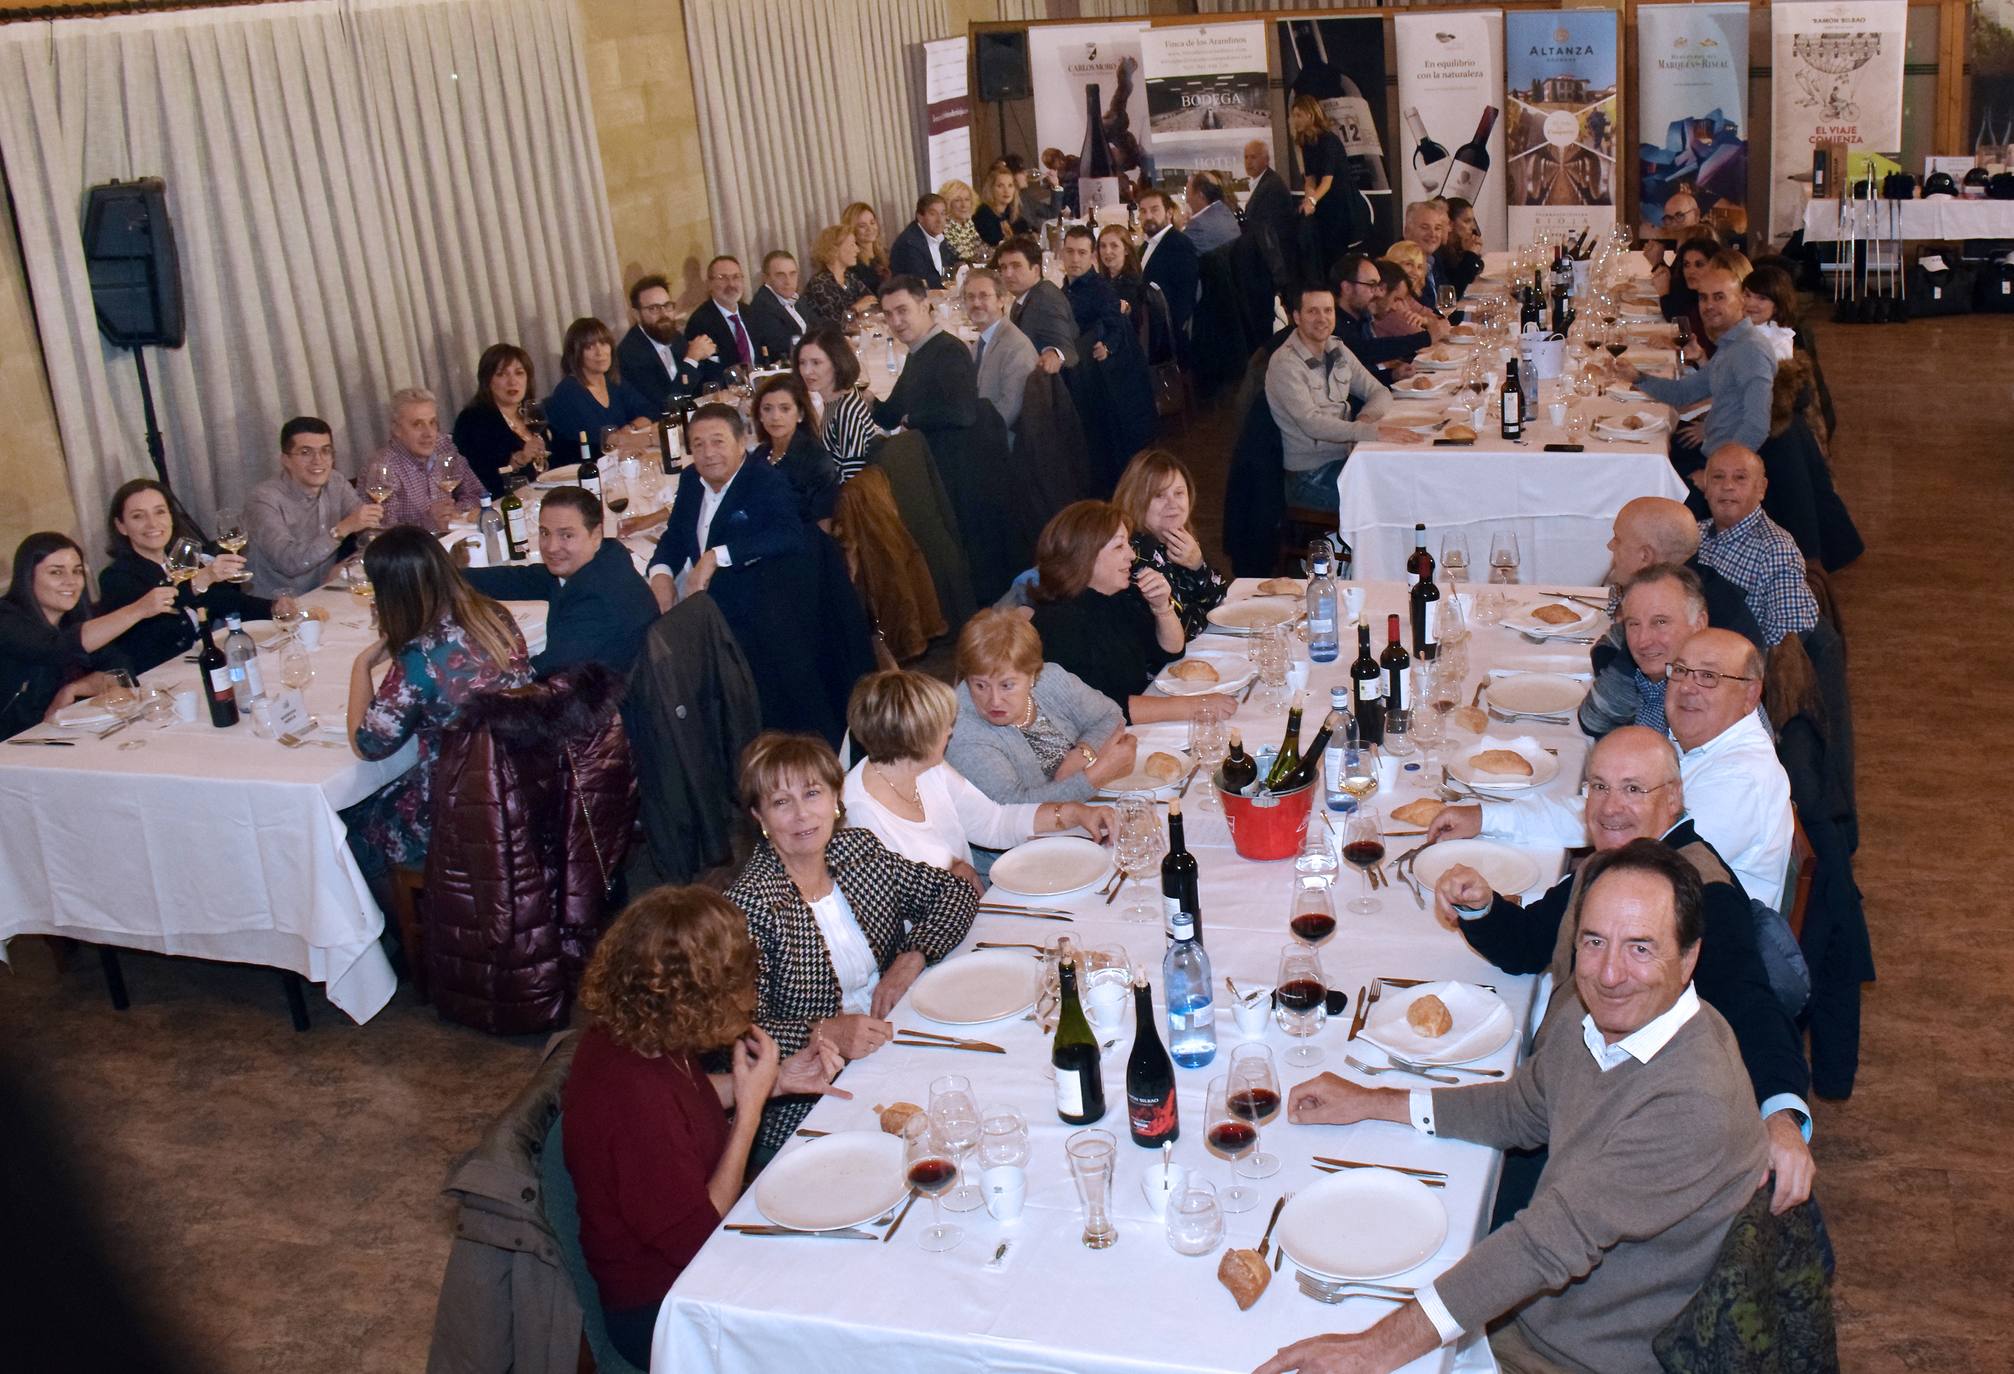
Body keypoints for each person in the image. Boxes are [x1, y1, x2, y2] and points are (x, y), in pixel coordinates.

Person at [1264, 841, 1768, 1374]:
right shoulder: (1600, 1012)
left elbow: (1546, 1245)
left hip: (1570, 1352)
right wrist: (1374, 1102)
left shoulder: (1692, 1098)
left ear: (1689, 957)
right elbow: (1522, 1108)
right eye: (1594, 941)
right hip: (1530, 1311)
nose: (1610, 972)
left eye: (1641, 948)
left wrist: (1375, 1349)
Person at [1430, 727, 1815, 1214]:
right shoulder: (1617, 865)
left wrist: (1781, 1117)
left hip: (1612, 1128)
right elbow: (1532, 944)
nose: (1611, 807)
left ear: (1673, 799)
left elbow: (1751, 1005)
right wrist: (1481, 907)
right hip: (1560, 1089)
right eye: (1599, 787)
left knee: (1458, 1195)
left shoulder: (1698, 893)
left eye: (1634, 789)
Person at [563, 885, 848, 1366]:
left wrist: (773, 1082)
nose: (751, 995)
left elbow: (685, 1098)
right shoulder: (629, 1099)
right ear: (694, 997)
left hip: (698, 1261)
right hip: (667, 1309)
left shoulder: (637, 1031)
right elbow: (699, 1237)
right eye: (739, 983)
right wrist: (750, 1113)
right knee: (833, 1318)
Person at [724, 731, 978, 1150]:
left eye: (812, 794)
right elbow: (735, 1032)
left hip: (899, 1039)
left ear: (835, 799)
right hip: (812, 1090)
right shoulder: (749, 906)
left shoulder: (857, 851)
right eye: (781, 803)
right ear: (760, 818)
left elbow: (954, 892)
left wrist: (913, 957)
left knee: (968, 1108)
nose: (803, 816)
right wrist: (822, 1032)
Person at [1434, 625, 1793, 911]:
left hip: (1699, 967)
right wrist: (1487, 817)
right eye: (1680, 671)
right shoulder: (1698, 745)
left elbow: (1645, 876)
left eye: (1709, 678)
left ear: (1750, 695)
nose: (1686, 688)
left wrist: (1521, 906)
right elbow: (1604, 811)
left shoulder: (1741, 781)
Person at [344, 526, 532, 870]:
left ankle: (401, 920)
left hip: (463, 816)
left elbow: (368, 744)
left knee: (348, 825)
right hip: (525, 787)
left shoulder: (421, 657)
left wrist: (363, 665)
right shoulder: (493, 615)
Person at [841, 669, 1113, 889]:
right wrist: (952, 874)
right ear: (912, 738)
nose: (950, 732)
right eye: (942, 725)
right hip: (929, 941)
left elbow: (992, 822)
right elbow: (898, 900)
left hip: (966, 908)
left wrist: (1073, 813)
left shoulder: (927, 768)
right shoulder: (859, 812)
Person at [1027, 501, 1235, 725]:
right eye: (1119, 547)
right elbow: (1102, 707)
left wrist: (1162, 608)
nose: (1131, 555)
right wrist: (1195, 706)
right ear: (1083, 556)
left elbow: (1171, 652)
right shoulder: (1059, 623)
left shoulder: (1114, 598)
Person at [945, 608, 1138, 805]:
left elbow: (1109, 715)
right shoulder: (962, 729)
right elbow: (1011, 808)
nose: (994, 701)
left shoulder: (1050, 679)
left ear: (1032, 675)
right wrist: (1096, 776)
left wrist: (1084, 752)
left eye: (1007, 685)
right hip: (1036, 833)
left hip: (1087, 810)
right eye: (980, 685)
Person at [461, 486, 657, 677]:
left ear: (596, 535)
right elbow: (518, 579)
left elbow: (543, 674)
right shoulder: (603, 558)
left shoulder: (596, 601)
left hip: (615, 703)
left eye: (566, 535)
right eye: (545, 533)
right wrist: (448, 576)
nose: (552, 547)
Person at [96, 479, 286, 674]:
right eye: (138, 516)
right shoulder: (116, 578)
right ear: (121, 526)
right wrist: (202, 579)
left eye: (160, 512)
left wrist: (275, 607)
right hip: (161, 677)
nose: (152, 523)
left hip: (205, 665)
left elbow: (225, 601)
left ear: (171, 517)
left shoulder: (183, 560)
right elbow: (159, 619)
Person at [1616, 254, 1774, 478]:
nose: (1709, 306)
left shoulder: (1750, 351)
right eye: (1703, 298)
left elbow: (1757, 427)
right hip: (1710, 452)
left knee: (1636, 469)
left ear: (1742, 301)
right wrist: (1636, 377)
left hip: (1718, 465)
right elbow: (1684, 393)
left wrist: (1717, 476)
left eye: (1719, 297)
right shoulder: (1732, 344)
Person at [0, 532, 168, 739]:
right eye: (56, 573)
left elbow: (118, 666)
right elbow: (53, 649)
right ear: (28, 576)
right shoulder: (6, 619)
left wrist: (75, 688)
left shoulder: (73, 620)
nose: (70, 581)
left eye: (77, 571)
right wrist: (138, 610)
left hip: (56, 736)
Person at [1263, 285, 1416, 511]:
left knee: (1409, 481)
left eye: (1328, 310)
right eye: (1312, 311)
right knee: (1391, 503)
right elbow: (1312, 423)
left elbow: (1379, 392)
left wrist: (1365, 418)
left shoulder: (1336, 349)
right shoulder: (1286, 364)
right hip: (1309, 477)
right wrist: (1367, 432)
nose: (1322, 318)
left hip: (1348, 460)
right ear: (1296, 317)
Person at [645, 403, 804, 616]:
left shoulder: (766, 481)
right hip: (699, 602)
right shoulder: (691, 478)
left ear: (741, 444)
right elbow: (675, 536)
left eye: (718, 442)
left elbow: (788, 535)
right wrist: (661, 574)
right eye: (698, 445)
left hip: (753, 610)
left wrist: (717, 556)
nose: (708, 453)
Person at [1582, 559, 1766, 739]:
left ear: (1699, 624)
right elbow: (1593, 719)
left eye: (1661, 622)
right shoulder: (1657, 681)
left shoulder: (1711, 697)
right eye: (1634, 624)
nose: (1643, 641)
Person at [1695, 445, 1822, 646]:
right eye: (1718, 477)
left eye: (1740, 478)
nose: (1727, 486)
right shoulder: (1694, 534)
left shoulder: (1775, 549)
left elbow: (1788, 639)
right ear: (1706, 488)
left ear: (1761, 488)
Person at [1059, 224, 1156, 484]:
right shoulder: (1069, 286)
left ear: (1091, 257)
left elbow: (1116, 322)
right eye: (1069, 252)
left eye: (1081, 253)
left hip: (1104, 382)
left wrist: (1108, 346)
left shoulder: (1099, 288)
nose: (1074, 258)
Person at [244, 416, 381, 597]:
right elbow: (289, 563)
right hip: (279, 606)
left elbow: (371, 535)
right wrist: (342, 529)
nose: (318, 461)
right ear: (286, 460)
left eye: (325, 451)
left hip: (328, 591)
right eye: (306, 452)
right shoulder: (263, 500)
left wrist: (347, 563)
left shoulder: (335, 481)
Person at [1114, 449, 1226, 640]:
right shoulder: (1135, 553)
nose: (1173, 504)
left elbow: (1218, 598)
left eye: (1179, 493)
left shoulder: (1179, 538)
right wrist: (1202, 611)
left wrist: (1197, 565)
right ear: (1136, 500)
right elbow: (1181, 630)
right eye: (1159, 496)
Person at [540, 319, 654, 473]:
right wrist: (651, 438)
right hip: (585, 475)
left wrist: (630, 427)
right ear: (575, 354)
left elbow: (650, 411)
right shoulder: (568, 391)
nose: (600, 352)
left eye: (604, 343)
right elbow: (603, 443)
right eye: (589, 347)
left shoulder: (613, 382)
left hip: (617, 465)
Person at [370, 387, 483, 533]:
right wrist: (428, 521)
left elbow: (477, 493)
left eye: (432, 423)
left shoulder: (443, 445)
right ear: (396, 429)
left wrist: (455, 510)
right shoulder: (383, 468)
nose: (429, 433)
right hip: (416, 551)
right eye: (417, 424)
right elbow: (384, 533)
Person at [1742, 263, 1835, 437]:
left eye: (1761, 298)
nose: (1750, 303)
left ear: (1777, 305)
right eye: (1747, 295)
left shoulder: (1777, 344)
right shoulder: (1748, 333)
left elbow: (1768, 406)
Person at [451, 344, 552, 497]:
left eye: (519, 373)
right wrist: (518, 460)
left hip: (544, 495)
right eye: (501, 375)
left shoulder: (532, 413)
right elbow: (477, 481)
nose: (512, 382)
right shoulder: (473, 420)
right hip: (505, 504)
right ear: (487, 381)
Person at [749, 375, 842, 529]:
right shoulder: (761, 454)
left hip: (803, 545)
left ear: (800, 414)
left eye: (785, 409)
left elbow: (824, 524)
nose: (775, 417)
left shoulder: (815, 459)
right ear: (760, 415)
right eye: (767, 409)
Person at [791, 325, 881, 480]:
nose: (806, 371)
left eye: (816, 363)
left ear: (837, 363)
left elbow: (854, 480)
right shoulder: (835, 400)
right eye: (802, 363)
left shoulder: (847, 412)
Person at [615, 275, 714, 410]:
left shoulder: (674, 336)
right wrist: (692, 359)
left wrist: (710, 356)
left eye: (667, 306)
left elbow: (700, 383)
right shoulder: (631, 353)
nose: (664, 314)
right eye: (654, 308)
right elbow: (667, 404)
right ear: (637, 315)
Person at [1289, 95, 1363, 275]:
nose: (1294, 120)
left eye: (1298, 115)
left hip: (1340, 205)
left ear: (1310, 115)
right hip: (1323, 204)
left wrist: (1312, 201)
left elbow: (1327, 181)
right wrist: (1308, 199)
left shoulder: (1328, 141)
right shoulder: (1306, 143)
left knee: (1336, 254)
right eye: (1294, 115)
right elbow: (1310, 178)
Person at [1332, 251, 1429, 382]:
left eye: (1378, 286)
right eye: (1371, 285)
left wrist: (1392, 375)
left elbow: (1362, 380)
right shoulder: (1334, 325)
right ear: (1347, 288)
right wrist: (1428, 337)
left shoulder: (1360, 319)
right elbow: (1365, 351)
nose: (1378, 293)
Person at [962, 268, 1039, 434]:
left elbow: (1008, 412)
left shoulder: (1016, 347)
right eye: (970, 297)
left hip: (1000, 443)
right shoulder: (980, 343)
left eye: (984, 296)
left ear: (1001, 300)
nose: (976, 303)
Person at [996, 235, 1076, 376]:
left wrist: (1054, 354)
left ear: (1036, 270)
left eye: (1016, 266)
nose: (1008, 274)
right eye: (1003, 267)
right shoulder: (1024, 296)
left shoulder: (1046, 299)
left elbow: (1067, 351)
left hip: (1050, 389)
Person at [684, 256, 773, 372]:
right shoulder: (699, 322)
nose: (731, 284)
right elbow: (704, 373)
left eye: (736, 277)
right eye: (722, 278)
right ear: (709, 284)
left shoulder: (751, 313)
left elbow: (764, 356)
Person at [1137, 188, 1199, 347]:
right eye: (1143, 211)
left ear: (1169, 213)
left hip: (1165, 338)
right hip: (1147, 327)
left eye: (1154, 210)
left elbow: (1185, 298)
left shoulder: (1179, 245)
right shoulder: (1146, 245)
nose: (1148, 216)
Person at [801, 225, 874, 332]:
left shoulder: (850, 277)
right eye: (852, 244)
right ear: (835, 249)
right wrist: (855, 309)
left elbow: (872, 302)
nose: (857, 250)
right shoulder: (819, 284)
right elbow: (834, 325)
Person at [745, 250, 809, 361]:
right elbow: (782, 346)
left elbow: (819, 326)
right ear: (766, 278)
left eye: (792, 274)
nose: (788, 281)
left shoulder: (798, 300)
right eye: (780, 275)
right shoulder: (763, 306)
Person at [1377, 242, 1447, 336]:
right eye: (1409, 264)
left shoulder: (1407, 296)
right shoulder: (1389, 298)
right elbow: (1420, 335)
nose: (1415, 272)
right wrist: (1430, 327)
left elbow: (1442, 321)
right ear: (1392, 264)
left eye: (1419, 267)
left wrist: (1426, 321)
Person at [1241, 138, 1295, 253]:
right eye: (1246, 157)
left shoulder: (1271, 186)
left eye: (1253, 157)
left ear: (1266, 160)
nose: (1248, 162)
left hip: (1275, 255)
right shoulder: (1264, 182)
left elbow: (1264, 227)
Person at [888, 193, 951, 291]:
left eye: (942, 213)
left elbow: (951, 265)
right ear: (920, 217)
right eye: (933, 214)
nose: (939, 220)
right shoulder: (909, 243)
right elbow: (922, 282)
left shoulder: (940, 237)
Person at [1401, 198, 1452, 305]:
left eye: (1437, 228)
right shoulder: (1400, 265)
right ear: (1407, 231)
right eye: (1425, 227)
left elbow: (1447, 303)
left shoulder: (1434, 259)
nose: (1433, 234)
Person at [1436, 196, 1485, 298]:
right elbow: (1453, 293)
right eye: (1467, 221)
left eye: (1472, 221)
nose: (1473, 227)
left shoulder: (1457, 246)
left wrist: (1471, 255)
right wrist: (1470, 256)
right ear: (1450, 223)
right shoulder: (1439, 250)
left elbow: (1476, 269)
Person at [1183, 171, 1240, 255]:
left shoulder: (1197, 226)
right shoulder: (1226, 212)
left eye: (1188, 194)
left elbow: (1178, 254)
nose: (1187, 200)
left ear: (1200, 195)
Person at [840, 201, 889, 297]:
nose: (870, 229)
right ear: (852, 229)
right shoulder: (853, 264)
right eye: (862, 226)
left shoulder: (887, 254)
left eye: (872, 223)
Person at [1095, 223, 1145, 316]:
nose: (1107, 251)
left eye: (1114, 246)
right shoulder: (1105, 279)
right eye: (1103, 246)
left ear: (1126, 250)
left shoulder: (1131, 286)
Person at [937, 180, 988, 267]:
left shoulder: (973, 225)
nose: (964, 205)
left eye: (967, 199)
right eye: (957, 200)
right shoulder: (940, 231)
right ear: (947, 203)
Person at [973, 166, 1027, 247]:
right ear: (991, 189)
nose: (1006, 191)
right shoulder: (984, 213)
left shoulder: (1011, 211)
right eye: (1000, 186)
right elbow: (994, 243)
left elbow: (1026, 233)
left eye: (1010, 185)